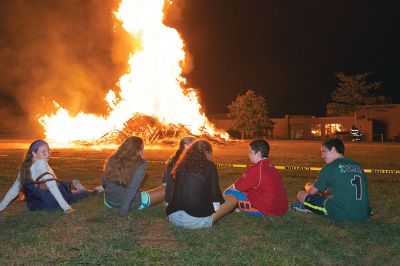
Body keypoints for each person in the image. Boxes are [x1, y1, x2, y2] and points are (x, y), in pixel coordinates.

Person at [0, 140, 103, 214]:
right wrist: (66, 207)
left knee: (75, 192)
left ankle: (83, 189)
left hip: (38, 200)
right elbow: (52, 187)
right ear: (34, 153)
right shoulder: (41, 163)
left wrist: (1, 206)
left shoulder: (26, 164)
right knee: (81, 194)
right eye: (43, 151)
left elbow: (15, 188)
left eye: (48, 151)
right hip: (49, 196)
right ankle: (94, 190)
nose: (47, 154)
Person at [291, 138, 370, 221]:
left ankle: (310, 208)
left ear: (333, 149)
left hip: (341, 213)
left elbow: (311, 192)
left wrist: (307, 186)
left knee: (301, 194)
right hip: (363, 213)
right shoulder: (358, 165)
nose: (322, 156)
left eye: (323, 151)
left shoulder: (330, 167)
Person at [166, 139, 237, 229]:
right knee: (233, 199)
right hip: (194, 221)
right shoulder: (209, 165)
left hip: (173, 217)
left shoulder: (181, 164)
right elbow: (216, 199)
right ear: (207, 153)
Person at [102, 136, 165, 216]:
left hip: (108, 201)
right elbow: (131, 190)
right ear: (137, 150)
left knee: (134, 190)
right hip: (130, 203)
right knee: (166, 190)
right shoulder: (141, 164)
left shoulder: (112, 159)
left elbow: (104, 183)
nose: (143, 150)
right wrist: (123, 212)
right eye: (142, 148)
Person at [224, 140, 288, 216]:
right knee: (247, 190)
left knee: (229, 193)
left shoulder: (257, 168)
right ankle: (237, 207)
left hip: (266, 210)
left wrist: (223, 193)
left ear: (258, 153)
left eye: (250, 152)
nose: (248, 155)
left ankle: (234, 207)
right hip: (281, 208)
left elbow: (236, 187)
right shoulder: (270, 166)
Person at [162, 136, 196, 205]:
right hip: (181, 203)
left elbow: (164, 183)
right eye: (195, 145)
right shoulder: (191, 162)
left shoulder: (172, 159)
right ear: (186, 146)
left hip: (168, 201)